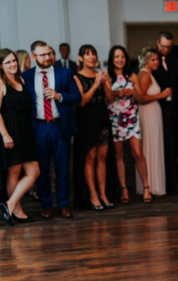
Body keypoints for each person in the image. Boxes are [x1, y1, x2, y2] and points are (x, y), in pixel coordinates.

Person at [21, 41, 81, 219]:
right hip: (38, 127)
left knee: (62, 168)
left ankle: (63, 205)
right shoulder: (27, 76)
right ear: (34, 57)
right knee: (42, 169)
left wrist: (59, 96)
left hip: (59, 126)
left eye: (49, 54)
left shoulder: (65, 73)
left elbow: (77, 96)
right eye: (43, 55)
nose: (48, 57)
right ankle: (46, 205)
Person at [0, 49, 40, 225]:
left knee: (33, 171)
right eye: (8, 62)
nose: (13, 64)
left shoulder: (21, 80)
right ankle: (17, 211)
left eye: (14, 60)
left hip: (25, 132)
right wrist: (5, 135)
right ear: (0, 65)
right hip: (10, 132)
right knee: (14, 173)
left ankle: (10, 204)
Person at [105, 45, 151, 204]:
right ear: (112, 59)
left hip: (131, 118)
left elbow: (140, 98)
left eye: (122, 56)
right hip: (115, 120)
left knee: (138, 153)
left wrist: (132, 92)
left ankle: (146, 187)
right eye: (117, 57)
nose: (120, 59)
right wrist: (114, 94)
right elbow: (105, 101)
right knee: (119, 155)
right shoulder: (107, 77)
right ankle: (124, 189)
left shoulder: (132, 75)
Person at [72, 45, 113, 211]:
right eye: (87, 55)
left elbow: (110, 99)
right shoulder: (76, 77)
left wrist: (106, 84)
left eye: (93, 54)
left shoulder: (101, 74)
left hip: (102, 117)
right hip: (86, 119)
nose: (91, 57)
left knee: (102, 158)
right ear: (80, 58)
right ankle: (93, 195)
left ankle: (103, 194)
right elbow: (82, 101)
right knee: (90, 158)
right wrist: (96, 84)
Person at [152, 30, 178, 197]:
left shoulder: (177, 62)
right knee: (164, 147)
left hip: (174, 111)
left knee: (173, 147)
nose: (166, 50)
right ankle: (173, 182)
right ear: (157, 43)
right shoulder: (151, 61)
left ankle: (170, 180)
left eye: (169, 47)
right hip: (157, 111)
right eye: (164, 46)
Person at [137, 47, 172, 197]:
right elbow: (141, 99)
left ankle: (153, 184)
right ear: (146, 61)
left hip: (153, 113)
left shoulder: (150, 74)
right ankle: (149, 185)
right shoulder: (144, 75)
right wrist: (161, 95)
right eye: (153, 59)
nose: (156, 62)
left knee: (154, 146)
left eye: (157, 59)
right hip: (148, 113)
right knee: (149, 146)